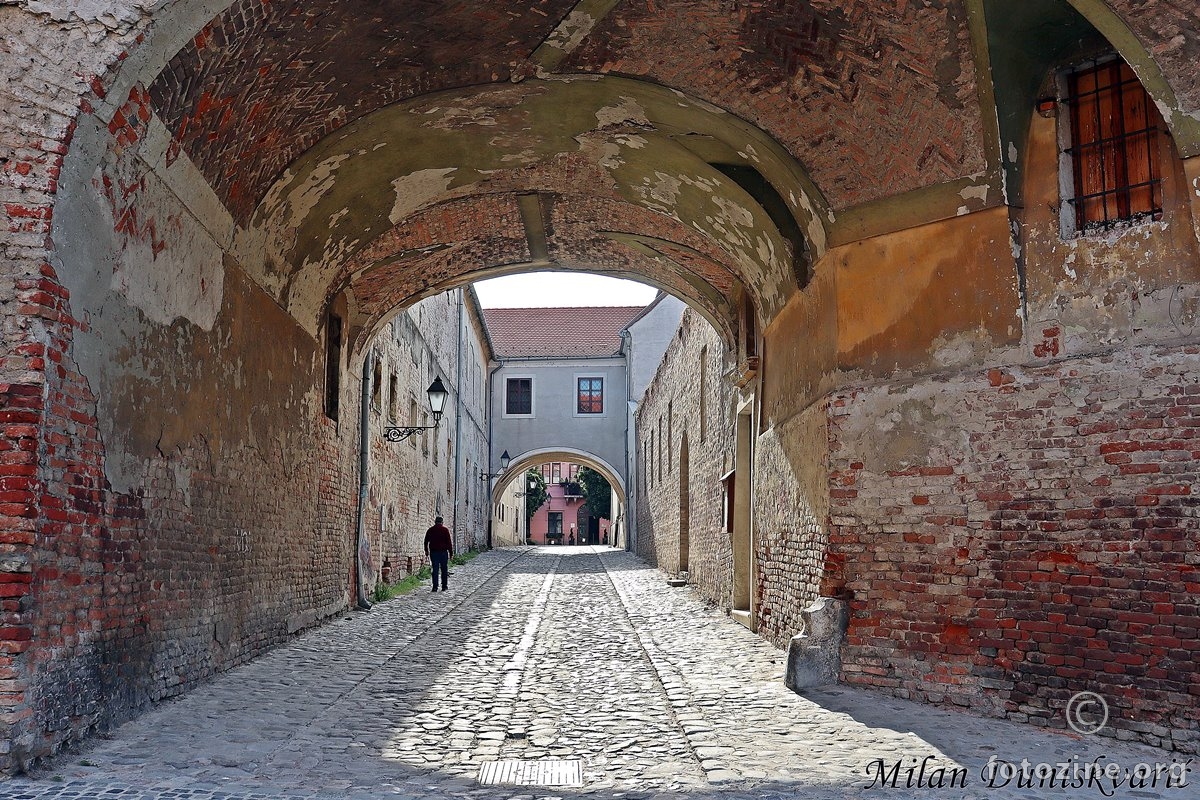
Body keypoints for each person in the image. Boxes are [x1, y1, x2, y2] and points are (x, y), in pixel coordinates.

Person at [424, 516, 453, 592]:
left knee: (435, 570)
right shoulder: (445, 530)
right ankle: (444, 586)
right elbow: (449, 543)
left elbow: (426, 541)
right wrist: (451, 553)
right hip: (443, 553)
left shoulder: (430, 530)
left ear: (435, 522)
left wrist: (426, 551)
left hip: (434, 553)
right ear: (442, 522)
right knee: (444, 569)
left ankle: (435, 587)